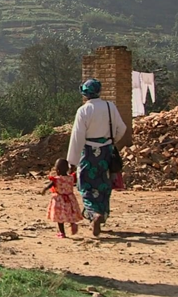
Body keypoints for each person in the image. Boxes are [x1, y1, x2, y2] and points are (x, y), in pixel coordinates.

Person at [66, 78, 126, 237]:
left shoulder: (83, 111)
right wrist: (110, 142)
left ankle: (93, 215)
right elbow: (122, 128)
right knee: (104, 184)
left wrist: (72, 161)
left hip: (89, 153)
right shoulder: (110, 106)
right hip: (106, 153)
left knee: (86, 185)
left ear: (84, 94)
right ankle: (103, 213)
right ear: (99, 91)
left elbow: (77, 137)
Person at [41, 158, 83, 238]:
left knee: (60, 217)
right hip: (70, 199)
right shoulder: (71, 178)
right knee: (70, 213)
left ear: (57, 170)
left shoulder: (56, 180)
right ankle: (72, 224)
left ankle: (62, 232)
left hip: (59, 200)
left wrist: (44, 190)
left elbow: (49, 185)